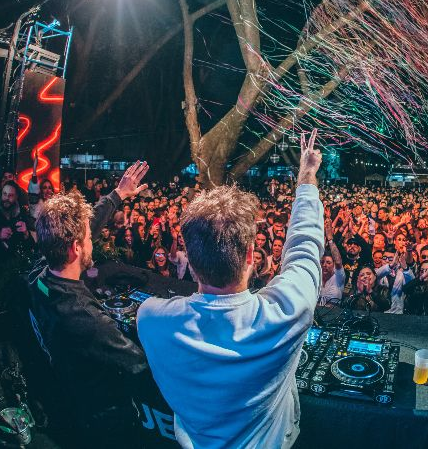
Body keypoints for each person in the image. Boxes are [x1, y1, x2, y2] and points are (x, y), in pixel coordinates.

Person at [137, 129, 324, 448]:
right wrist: (306, 175)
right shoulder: (289, 311)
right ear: (251, 255)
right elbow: (305, 245)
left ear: (190, 259)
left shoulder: (152, 319)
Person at [26, 161, 150, 446]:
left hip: (64, 396)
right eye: (87, 238)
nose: (92, 239)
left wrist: (117, 195)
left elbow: (86, 225)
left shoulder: (38, 276)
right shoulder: (85, 318)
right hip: (100, 419)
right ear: (76, 248)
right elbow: (139, 365)